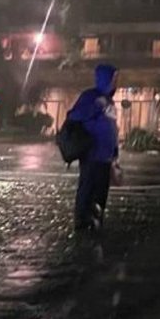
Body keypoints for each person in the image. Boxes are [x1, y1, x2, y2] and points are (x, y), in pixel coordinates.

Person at [68, 63, 121, 232]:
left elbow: (112, 128)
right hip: (91, 155)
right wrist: (95, 106)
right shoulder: (90, 96)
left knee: (101, 192)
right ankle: (82, 221)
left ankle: (96, 221)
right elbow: (74, 115)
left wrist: (115, 154)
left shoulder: (110, 102)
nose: (115, 82)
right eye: (113, 78)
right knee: (87, 188)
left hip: (106, 157)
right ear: (105, 79)